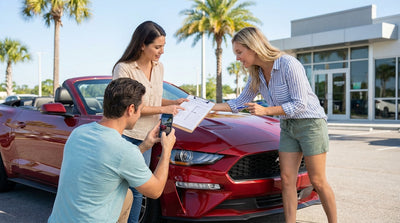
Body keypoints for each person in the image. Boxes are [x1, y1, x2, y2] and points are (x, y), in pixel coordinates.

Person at [212, 27, 337, 223]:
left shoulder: (288, 64)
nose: (237, 58)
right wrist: (207, 107)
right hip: (288, 127)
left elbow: (300, 104)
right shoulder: (256, 74)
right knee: (287, 180)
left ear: (253, 47)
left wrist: (266, 111)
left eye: (239, 52)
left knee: (317, 181)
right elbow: (238, 103)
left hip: (310, 124)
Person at [48, 78, 176, 223]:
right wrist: (167, 150)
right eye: (140, 109)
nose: (139, 115)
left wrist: (145, 145)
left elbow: (110, 162)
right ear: (131, 109)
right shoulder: (124, 150)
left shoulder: (78, 133)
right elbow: (155, 191)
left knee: (128, 195)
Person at [112, 21, 187, 223]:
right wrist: (165, 109)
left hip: (149, 136)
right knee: (122, 189)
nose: (162, 51)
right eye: (157, 47)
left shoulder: (159, 67)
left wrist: (173, 102)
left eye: (163, 46)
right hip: (128, 136)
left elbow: (152, 99)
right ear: (141, 45)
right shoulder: (124, 69)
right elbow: (130, 106)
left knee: (138, 190)